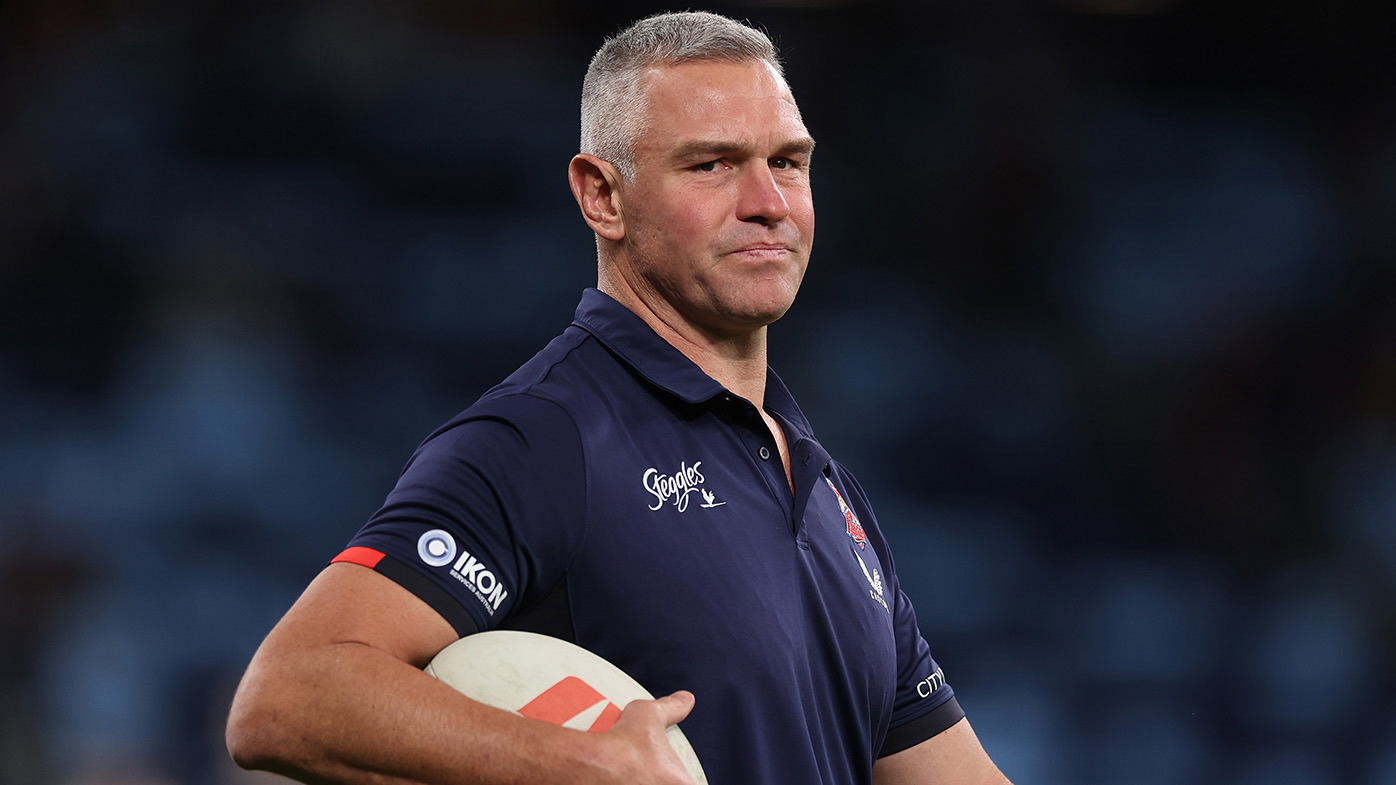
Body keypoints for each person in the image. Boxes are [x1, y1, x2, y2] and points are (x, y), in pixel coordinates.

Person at [226, 11, 1014, 785]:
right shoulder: (545, 436)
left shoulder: (828, 489)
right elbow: (285, 697)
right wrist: (573, 762)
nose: (768, 201)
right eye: (712, 165)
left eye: (790, 161)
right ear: (602, 195)